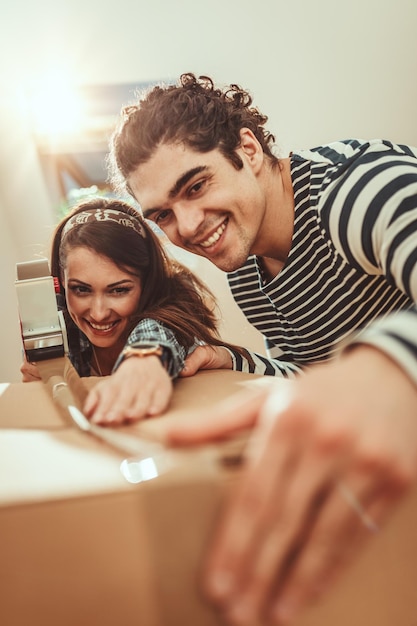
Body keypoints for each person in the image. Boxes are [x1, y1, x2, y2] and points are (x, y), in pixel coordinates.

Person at [107, 73, 417, 624]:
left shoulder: (358, 190)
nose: (188, 226)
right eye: (163, 215)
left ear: (247, 149)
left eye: (196, 186)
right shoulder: (244, 269)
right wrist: (235, 358)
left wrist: (392, 366)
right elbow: (310, 366)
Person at [21, 196, 243, 425]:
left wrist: (145, 357)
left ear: (146, 284)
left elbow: (156, 334)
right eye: (81, 289)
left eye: (118, 291)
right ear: (61, 281)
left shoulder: (168, 323)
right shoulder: (57, 328)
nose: (98, 313)